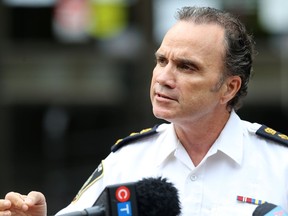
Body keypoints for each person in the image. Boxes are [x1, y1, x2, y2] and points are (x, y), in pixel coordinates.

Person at [1, 6, 288, 216]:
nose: (163, 77)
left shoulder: (280, 165)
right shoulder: (126, 160)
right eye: (161, 61)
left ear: (229, 87)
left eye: (186, 67)